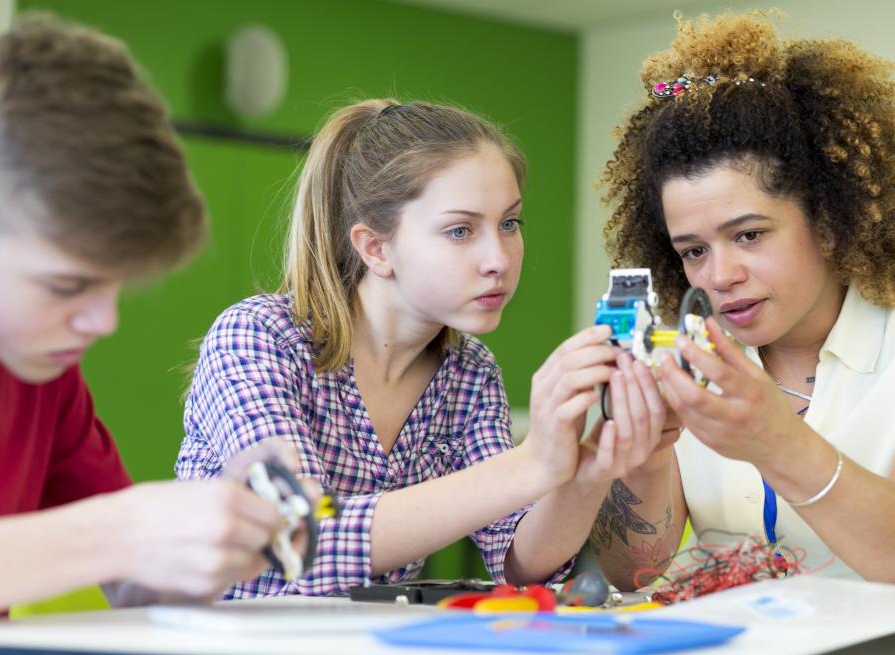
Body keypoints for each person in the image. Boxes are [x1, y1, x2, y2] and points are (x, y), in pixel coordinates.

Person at [177, 99, 655, 598]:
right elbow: (299, 538)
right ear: (376, 248)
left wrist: (591, 466)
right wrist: (531, 463)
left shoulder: (469, 373)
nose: (499, 259)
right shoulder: (257, 337)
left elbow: (519, 564)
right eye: (460, 231)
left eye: (510, 223)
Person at [592, 11, 895, 592]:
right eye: (692, 250)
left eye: (749, 235)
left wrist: (777, 440)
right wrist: (643, 452)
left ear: (829, 221)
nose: (719, 276)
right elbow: (633, 571)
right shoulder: (689, 351)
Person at [0, 16, 304, 615]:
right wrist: (119, 531)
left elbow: (133, 588)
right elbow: (114, 542)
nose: (103, 322)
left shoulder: (44, 377)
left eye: (114, 285)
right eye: (67, 285)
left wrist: (229, 532)